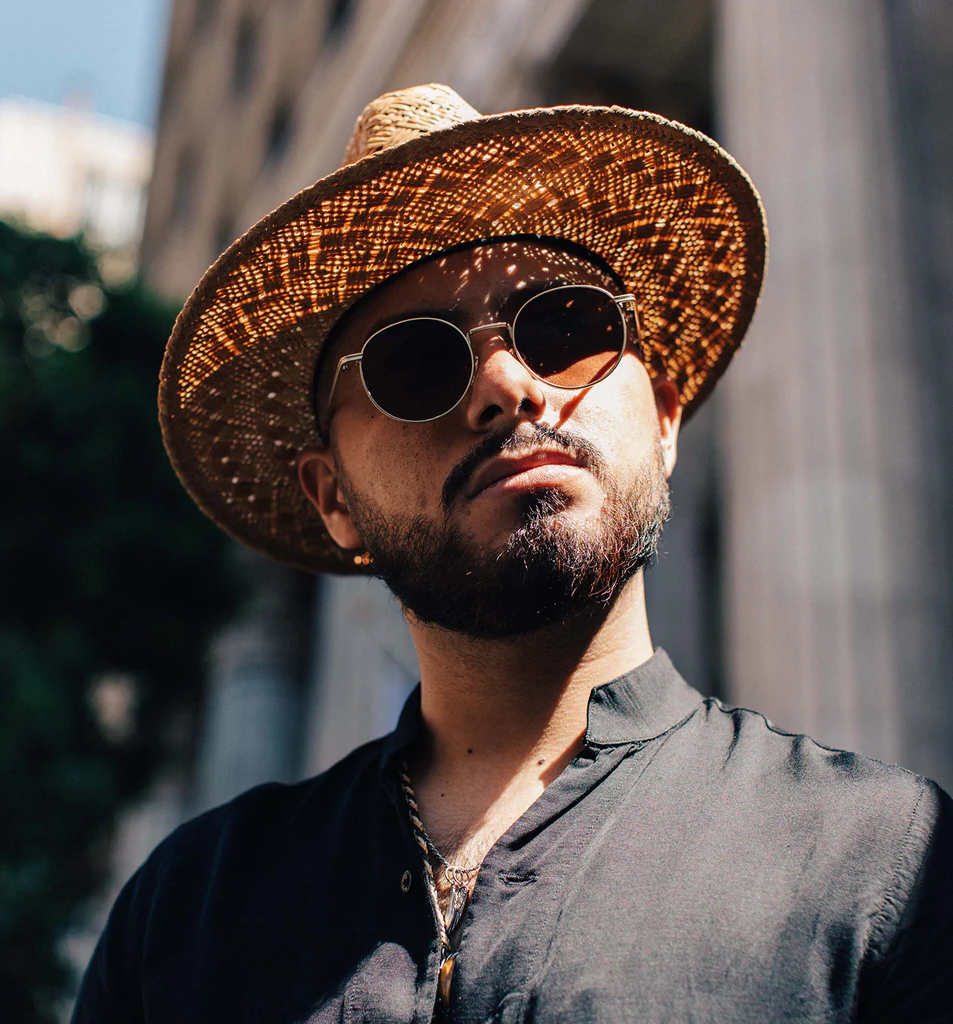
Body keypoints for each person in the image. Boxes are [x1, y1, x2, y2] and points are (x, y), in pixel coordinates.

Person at [74, 85, 952, 1022]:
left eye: (568, 326)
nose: (505, 385)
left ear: (662, 417)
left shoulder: (888, 863)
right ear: (334, 500)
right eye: (416, 363)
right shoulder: (187, 913)